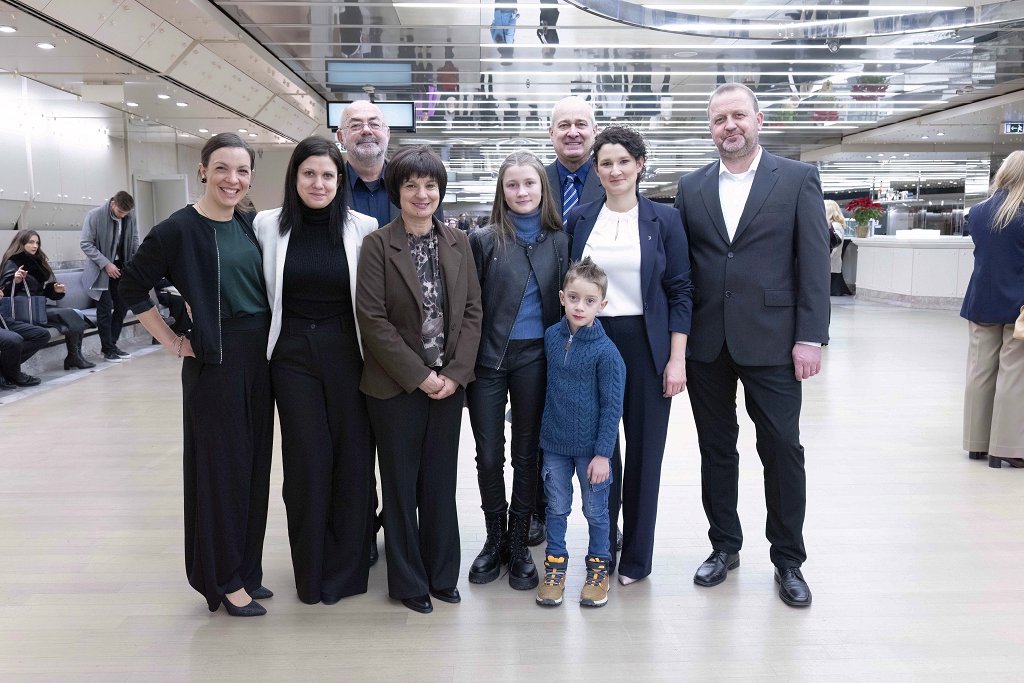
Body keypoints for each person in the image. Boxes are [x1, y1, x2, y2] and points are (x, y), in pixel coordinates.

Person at [674, 83, 830, 608]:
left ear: (758, 120)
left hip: (775, 341)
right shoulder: (691, 187)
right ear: (710, 127)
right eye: (720, 119)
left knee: (782, 448)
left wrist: (810, 337)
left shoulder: (798, 178)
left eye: (738, 115)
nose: (730, 126)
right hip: (707, 342)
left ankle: (788, 559)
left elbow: (814, 264)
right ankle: (724, 545)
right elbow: (685, 269)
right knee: (716, 449)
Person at [119, 133, 274, 617]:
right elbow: (131, 286)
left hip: (259, 356)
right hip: (215, 360)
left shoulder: (248, 224)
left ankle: (246, 569)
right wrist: (171, 341)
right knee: (222, 472)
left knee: (254, 468)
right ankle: (223, 579)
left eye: (242, 171)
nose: (233, 179)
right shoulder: (179, 229)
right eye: (222, 168)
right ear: (203, 169)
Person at [355, 145, 481, 614]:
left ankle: (442, 574)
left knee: (440, 484)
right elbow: (372, 320)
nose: (422, 194)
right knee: (400, 485)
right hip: (395, 387)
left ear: (440, 190)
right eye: (411, 185)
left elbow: (473, 312)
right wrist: (421, 376)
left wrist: (454, 374)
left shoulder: (459, 242)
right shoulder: (377, 245)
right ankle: (407, 581)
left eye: (430, 185)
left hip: (449, 386)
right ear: (397, 191)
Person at [253, 136, 378, 604]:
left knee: (352, 460)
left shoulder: (363, 227)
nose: (318, 183)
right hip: (291, 354)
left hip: (348, 351)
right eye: (309, 173)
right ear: (295, 177)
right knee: (306, 462)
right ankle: (311, 571)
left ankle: (347, 571)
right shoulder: (266, 225)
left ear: (340, 181)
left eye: (328, 175)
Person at [566, 125, 693, 583]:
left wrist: (676, 359)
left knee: (644, 453)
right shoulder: (580, 219)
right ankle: (604, 544)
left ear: (640, 165)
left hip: (646, 345)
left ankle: (637, 557)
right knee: (600, 451)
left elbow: (681, 291)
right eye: (606, 163)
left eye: (624, 161)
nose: (615, 170)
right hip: (593, 343)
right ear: (596, 170)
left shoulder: (665, 220)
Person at [337, 99, 442, 563]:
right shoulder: (330, 186)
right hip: (347, 338)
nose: (366, 130)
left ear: (387, 134)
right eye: (355, 124)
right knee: (356, 449)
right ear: (341, 136)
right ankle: (362, 532)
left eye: (374, 123)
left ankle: (401, 532)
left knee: (403, 456)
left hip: (408, 349)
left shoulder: (408, 186)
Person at [466, 150, 568, 590]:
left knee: (528, 454)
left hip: (537, 359)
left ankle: (519, 539)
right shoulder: (483, 240)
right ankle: (495, 538)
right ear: (501, 191)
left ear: (543, 189)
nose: (522, 191)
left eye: (530, 183)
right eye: (512, 184)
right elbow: (470, 306)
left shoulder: (560, 241)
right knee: (489, 454)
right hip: (488, 359)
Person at [530, 95, 607, 547]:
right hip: (544, 321)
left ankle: (605, 520)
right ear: (551, 132)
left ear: (594, 131)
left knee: (600, 420)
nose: (573, 132)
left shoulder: (611, 176)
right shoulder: (535, 181)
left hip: (597, 322)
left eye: (581, 124)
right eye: (564, 125)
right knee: (543, 416)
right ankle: (540, 512)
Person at [535, 257, 625, 608]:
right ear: (562, 298)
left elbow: (612, 407)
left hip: (592, 452)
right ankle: (555, 569)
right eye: (573, 298)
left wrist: (603, 454)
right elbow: (546, 387)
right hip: (555, 445)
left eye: (589, 301)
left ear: (602, 305)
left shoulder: (607, 353)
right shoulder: (550, 338)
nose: (579, 307)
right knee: (556, 508)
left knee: (596, 512)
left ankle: (598, 570)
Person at [960, 150, 1024, 469]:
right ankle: (1006, 447)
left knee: (980, 370)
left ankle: (976, 442)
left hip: (982, 300)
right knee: (1014, 374)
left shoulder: (977, 212)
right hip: (1019, 304)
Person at [1, 231, 96, 371]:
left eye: (37, 243)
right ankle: (73, 357)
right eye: (31, 242)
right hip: (22, 310)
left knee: (75, 313)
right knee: (73, 313)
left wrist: (55, 290)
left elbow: (43, 291)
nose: (35, 246)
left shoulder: (38, 261)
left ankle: (75, 356)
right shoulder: (13, 261)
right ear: (21, 243)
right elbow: (4, 290)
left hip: (38, 307)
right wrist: (16, 281)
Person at [80, 191, 138, 363]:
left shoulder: (129, 217)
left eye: (126, 213)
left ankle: (111, 344)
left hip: (121, 266)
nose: (123, 215)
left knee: (123, 305)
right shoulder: (95, 215)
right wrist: (106, 264)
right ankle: (108, 349)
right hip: (101, 269)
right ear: (113, 203)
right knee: (104, 308)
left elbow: (134, 239)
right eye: (120, 212)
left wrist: (134, 262)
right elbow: (86, 244)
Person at [0, 290, 48, 388]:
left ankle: (6, 370)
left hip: (2, 318)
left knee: (42, 335)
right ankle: (13, 374)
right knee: (14, 340)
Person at [824, 199, 851, 296]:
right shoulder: (835, 225)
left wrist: (825, 258)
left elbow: (834, 244)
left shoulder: (835, 226)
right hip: (831, 261)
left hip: (830, 261)